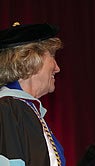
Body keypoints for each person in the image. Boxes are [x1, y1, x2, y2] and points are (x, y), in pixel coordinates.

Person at [0, 23, 65, 166]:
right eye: (52, 56)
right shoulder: (8, 110)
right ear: (31, 58)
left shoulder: (25, 109)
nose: (57, 68)